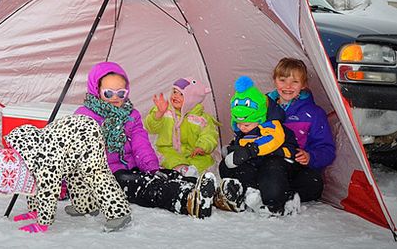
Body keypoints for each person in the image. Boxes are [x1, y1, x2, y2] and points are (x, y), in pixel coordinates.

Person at [74, 61, 244, 218]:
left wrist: (152, 168)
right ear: (96, 89)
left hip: (134, 165)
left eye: (121, 92)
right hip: (107, 175)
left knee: (167, 175)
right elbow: (74, 153)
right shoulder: (85, 117)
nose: (115, 97)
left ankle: (216, 195)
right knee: (145, 187)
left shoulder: (130, 114)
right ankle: (187, 200)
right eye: (108, 92)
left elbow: (141, 144)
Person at [0, 114, 132, 233]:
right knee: (74, 173)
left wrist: (42, 223)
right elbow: (31, 183)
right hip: (68, 141)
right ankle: (85, 206)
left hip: (87, 134)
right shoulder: (24, 154)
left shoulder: (45, 162)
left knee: (94, 173)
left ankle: (119, 213)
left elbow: (48, 191)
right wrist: (35, 210)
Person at [219, 75, 300, 215]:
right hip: (255, 166)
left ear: (260, 119)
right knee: (227, 166)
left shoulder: (272, 127)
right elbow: (241, 144)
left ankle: (279, 200)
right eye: (238, 124)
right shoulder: (244, 131)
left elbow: (270, 140)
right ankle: (246, 192)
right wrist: (233, 151)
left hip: (275, 161)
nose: (242, 128)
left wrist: (250, 151)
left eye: (246, 124)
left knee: (272, 182)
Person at [266, 57, 336, 204]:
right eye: (283, 80)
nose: (288, 86)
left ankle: (279, 197)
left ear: (303, 85)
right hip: (268, 162)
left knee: (313, 183)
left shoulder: (314, 113)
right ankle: (260, 193)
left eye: (295, 82)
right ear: (274, 80)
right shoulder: (262, 107)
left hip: (297, 167)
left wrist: (310, 157)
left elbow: (327, 149)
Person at [144, 77, 219, 176]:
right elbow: (151, 128)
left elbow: (209, 135)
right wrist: (159, 114)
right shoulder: (165, 111)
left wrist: (202, 147)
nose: (175, 96)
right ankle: (182, 171)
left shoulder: (201, 119)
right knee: (171, 159)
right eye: (174, 92)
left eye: (181, 94)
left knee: (204, 162)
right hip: (168, 149)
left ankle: (197, 175)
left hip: (193, 151)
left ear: (192, 99)